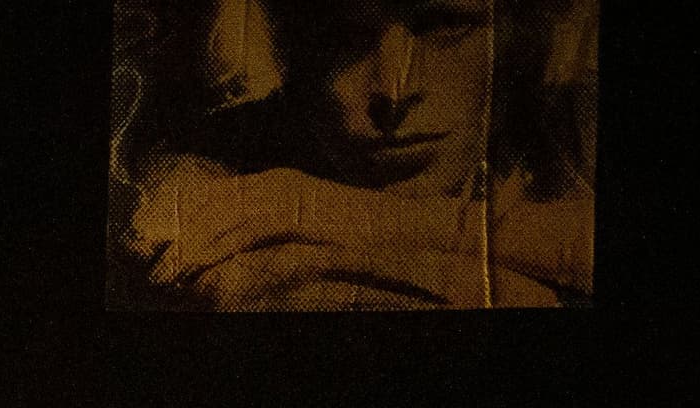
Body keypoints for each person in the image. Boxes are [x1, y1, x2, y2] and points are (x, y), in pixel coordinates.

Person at [115, 0, 596, 311]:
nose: (393, 90)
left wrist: (309, 210)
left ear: (520, 38)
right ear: (286, 47)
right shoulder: (197, 160)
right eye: (345, 37)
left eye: (446, 25)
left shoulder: (569, 121)